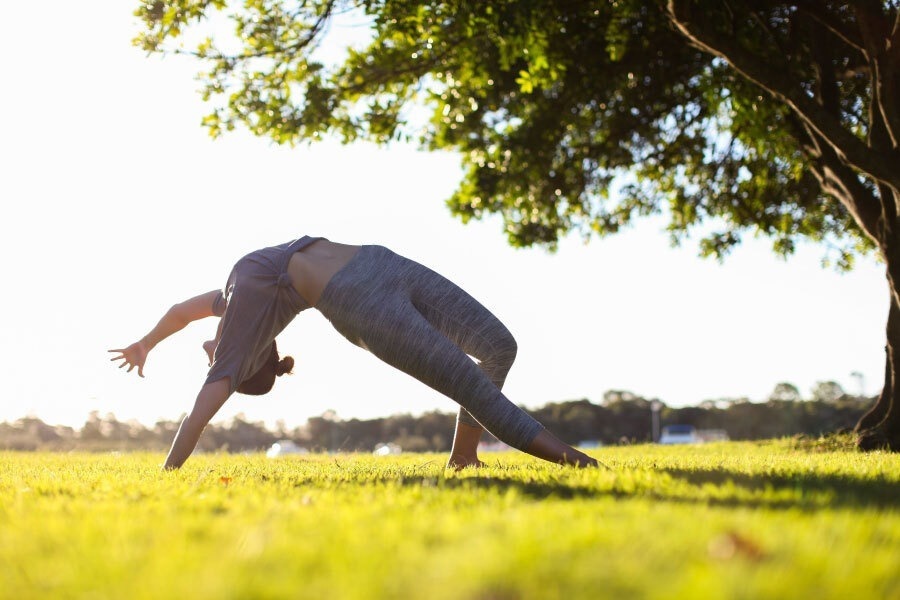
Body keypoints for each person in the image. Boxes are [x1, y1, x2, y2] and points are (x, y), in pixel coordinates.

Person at [109, 236, 599, 470]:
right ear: (250, 361)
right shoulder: (239, 344)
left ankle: (463, 456)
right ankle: (576, 462)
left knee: (498, 346)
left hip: (380, 261)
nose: (212, 355)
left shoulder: (234, 300)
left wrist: (145, 343)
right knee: (465, 381)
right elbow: (196, 418)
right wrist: (169, 472)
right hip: (364, 307)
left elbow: (179, 311)